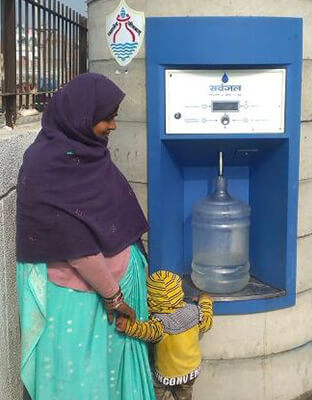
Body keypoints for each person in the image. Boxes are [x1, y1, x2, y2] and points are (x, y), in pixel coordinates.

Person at [16, 72, 155, 400]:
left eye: (114, 117)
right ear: (80, 116)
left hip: (108, 303)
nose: (113, 126)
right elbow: (74, 245)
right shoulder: (47, 166)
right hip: (81, 303)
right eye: (106, 119)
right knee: (86, 387)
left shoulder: (88, 154)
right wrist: (114, 297)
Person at [116, 270, 214, 400]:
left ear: (152, 299)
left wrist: (128, 326)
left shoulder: (160, 324)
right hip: (190, 370)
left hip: (166, 373)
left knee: (158, 390)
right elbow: (207, 323)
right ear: (179, 292)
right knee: (185, 394)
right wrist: (205, 300)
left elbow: (145, 331)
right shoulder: (193, 312)